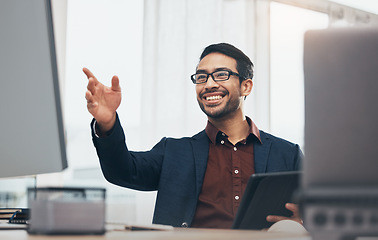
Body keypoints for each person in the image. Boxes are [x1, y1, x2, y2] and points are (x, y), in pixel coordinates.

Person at [84, 43, 303, 229]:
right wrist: (107, 122)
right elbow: (122, 171)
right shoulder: (173, 152)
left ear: (246, 86)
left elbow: (319, 212)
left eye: (220, 75)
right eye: (201, 77)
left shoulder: (288, 154)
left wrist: (304, 223)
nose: (208, 84)